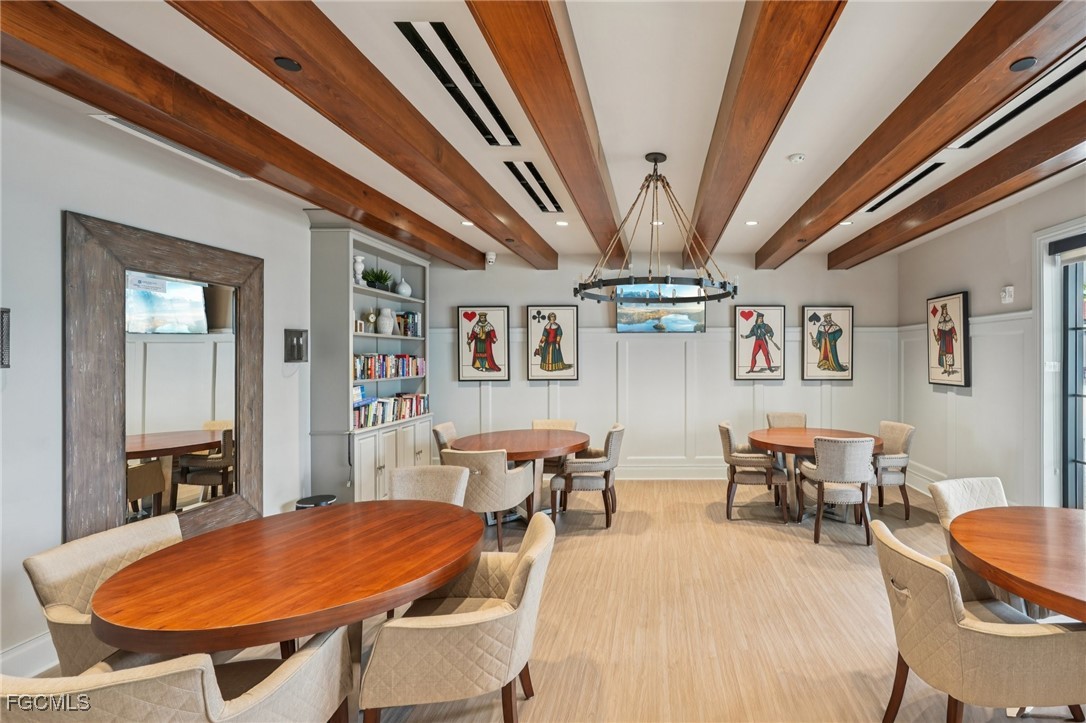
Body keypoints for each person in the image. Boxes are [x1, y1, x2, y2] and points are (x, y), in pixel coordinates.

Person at [933, 303, 957, 376]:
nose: (945, 311)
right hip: (943, 338)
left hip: (948, 338)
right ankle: (945, 368)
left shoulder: (949, 318)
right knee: (943, 353)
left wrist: (954, 335)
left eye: (946, 309)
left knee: (949, 353)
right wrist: (938, 337)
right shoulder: (940, 319)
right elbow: (939, 331)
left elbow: (952, 328)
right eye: (944, 310)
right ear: (942, 310)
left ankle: (949, 368)